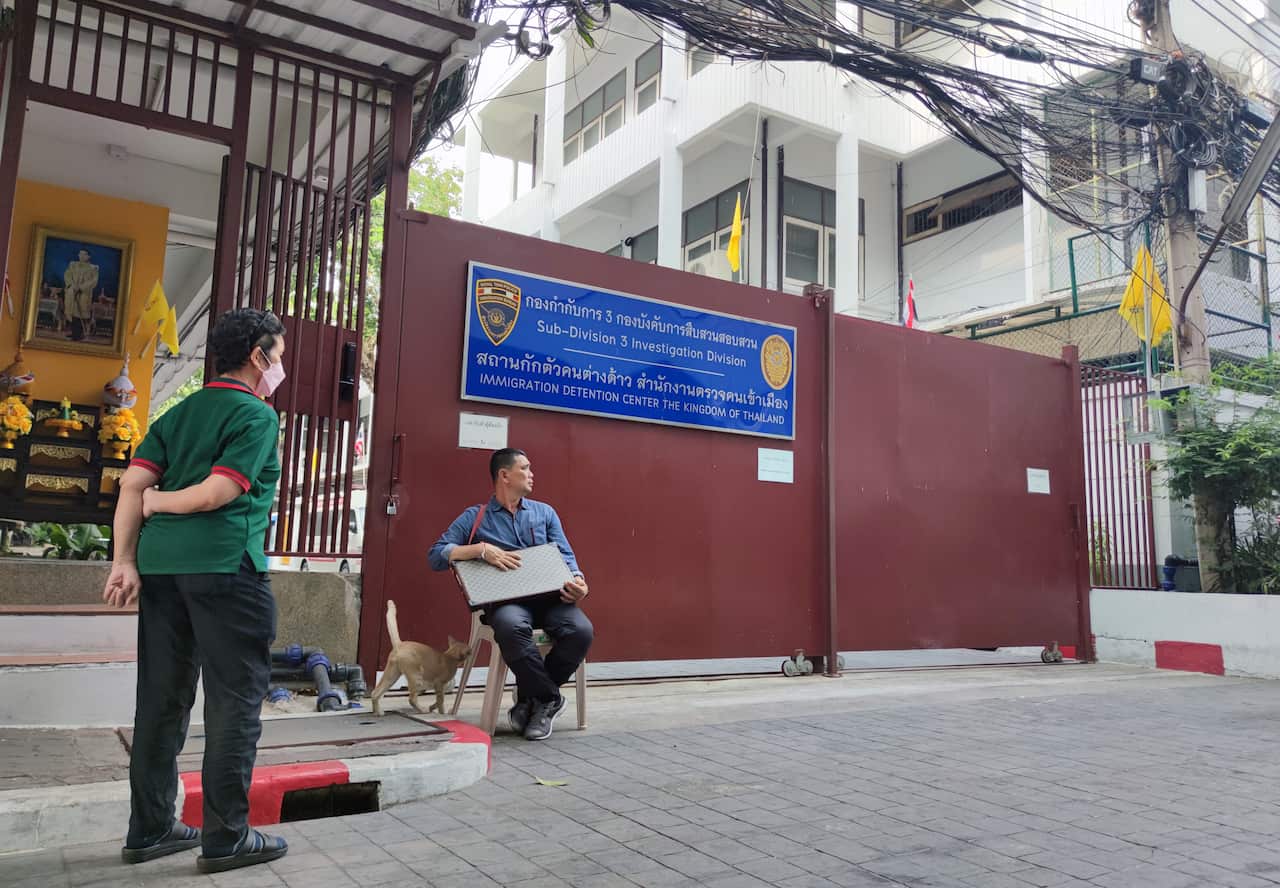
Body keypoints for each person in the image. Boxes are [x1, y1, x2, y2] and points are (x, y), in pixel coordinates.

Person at [102, 308, 290, 875]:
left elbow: (131, 485)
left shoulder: (177, 413)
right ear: (257, 356)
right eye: (278, 355)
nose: (280, 366)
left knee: (160, 699)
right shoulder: (255, 414)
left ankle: (152, 827)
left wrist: (124, 560)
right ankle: (226, 837)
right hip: (226, 569)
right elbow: (216, 493)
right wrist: (160, 502)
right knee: (234, 701)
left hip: (161, 570)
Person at [429, 448, 593, 741]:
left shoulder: (545, 513)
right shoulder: (475, 517)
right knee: (510, 626)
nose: (532, 474)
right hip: (508, 603)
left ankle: (531, 698)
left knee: (581, 631)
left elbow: (567, 556)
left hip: (552, 600)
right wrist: (480, 550)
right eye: (525, 468)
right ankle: (549, 699)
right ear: (504, 475)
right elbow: (436, 555)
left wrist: (579, 581)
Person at [63, 249, 98, 341]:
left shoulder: (93, 268)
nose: (81, 256)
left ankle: (79, 334)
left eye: (84, 254)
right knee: (72, 312)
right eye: (80, 254)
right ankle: (74, 332)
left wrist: (81, 287)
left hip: (84, 294)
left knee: (80, 313)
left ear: (88, 256)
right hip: (72, 292)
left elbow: (93, 281)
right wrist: (72, 285)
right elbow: (67, 275)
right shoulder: (72, 265)